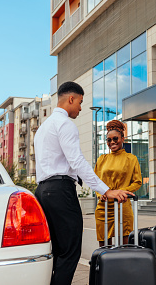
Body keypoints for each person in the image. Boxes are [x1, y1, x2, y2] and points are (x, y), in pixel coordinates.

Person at [34, 81, 133, 285]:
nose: (80, 107)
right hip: (61, 191)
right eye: (80, 102)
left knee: (55, 251)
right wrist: (106, 190)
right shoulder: (66, 124)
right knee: (70, 252)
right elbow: (77, 162)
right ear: (71, 99)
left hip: (42, 191)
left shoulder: (43, 128)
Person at [94, 120, 142, 246]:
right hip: (103, 206)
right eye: (109, 140)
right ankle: (105, 266)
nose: (112, 142)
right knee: (104, 248)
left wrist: (122, 191)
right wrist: (100, 194)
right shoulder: (102, 159)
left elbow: (137, 182)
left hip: (122, 204)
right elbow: (95, 181)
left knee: (124, 247)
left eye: (115, 138)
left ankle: (123, 266)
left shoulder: (131, 159)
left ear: (122, 138)